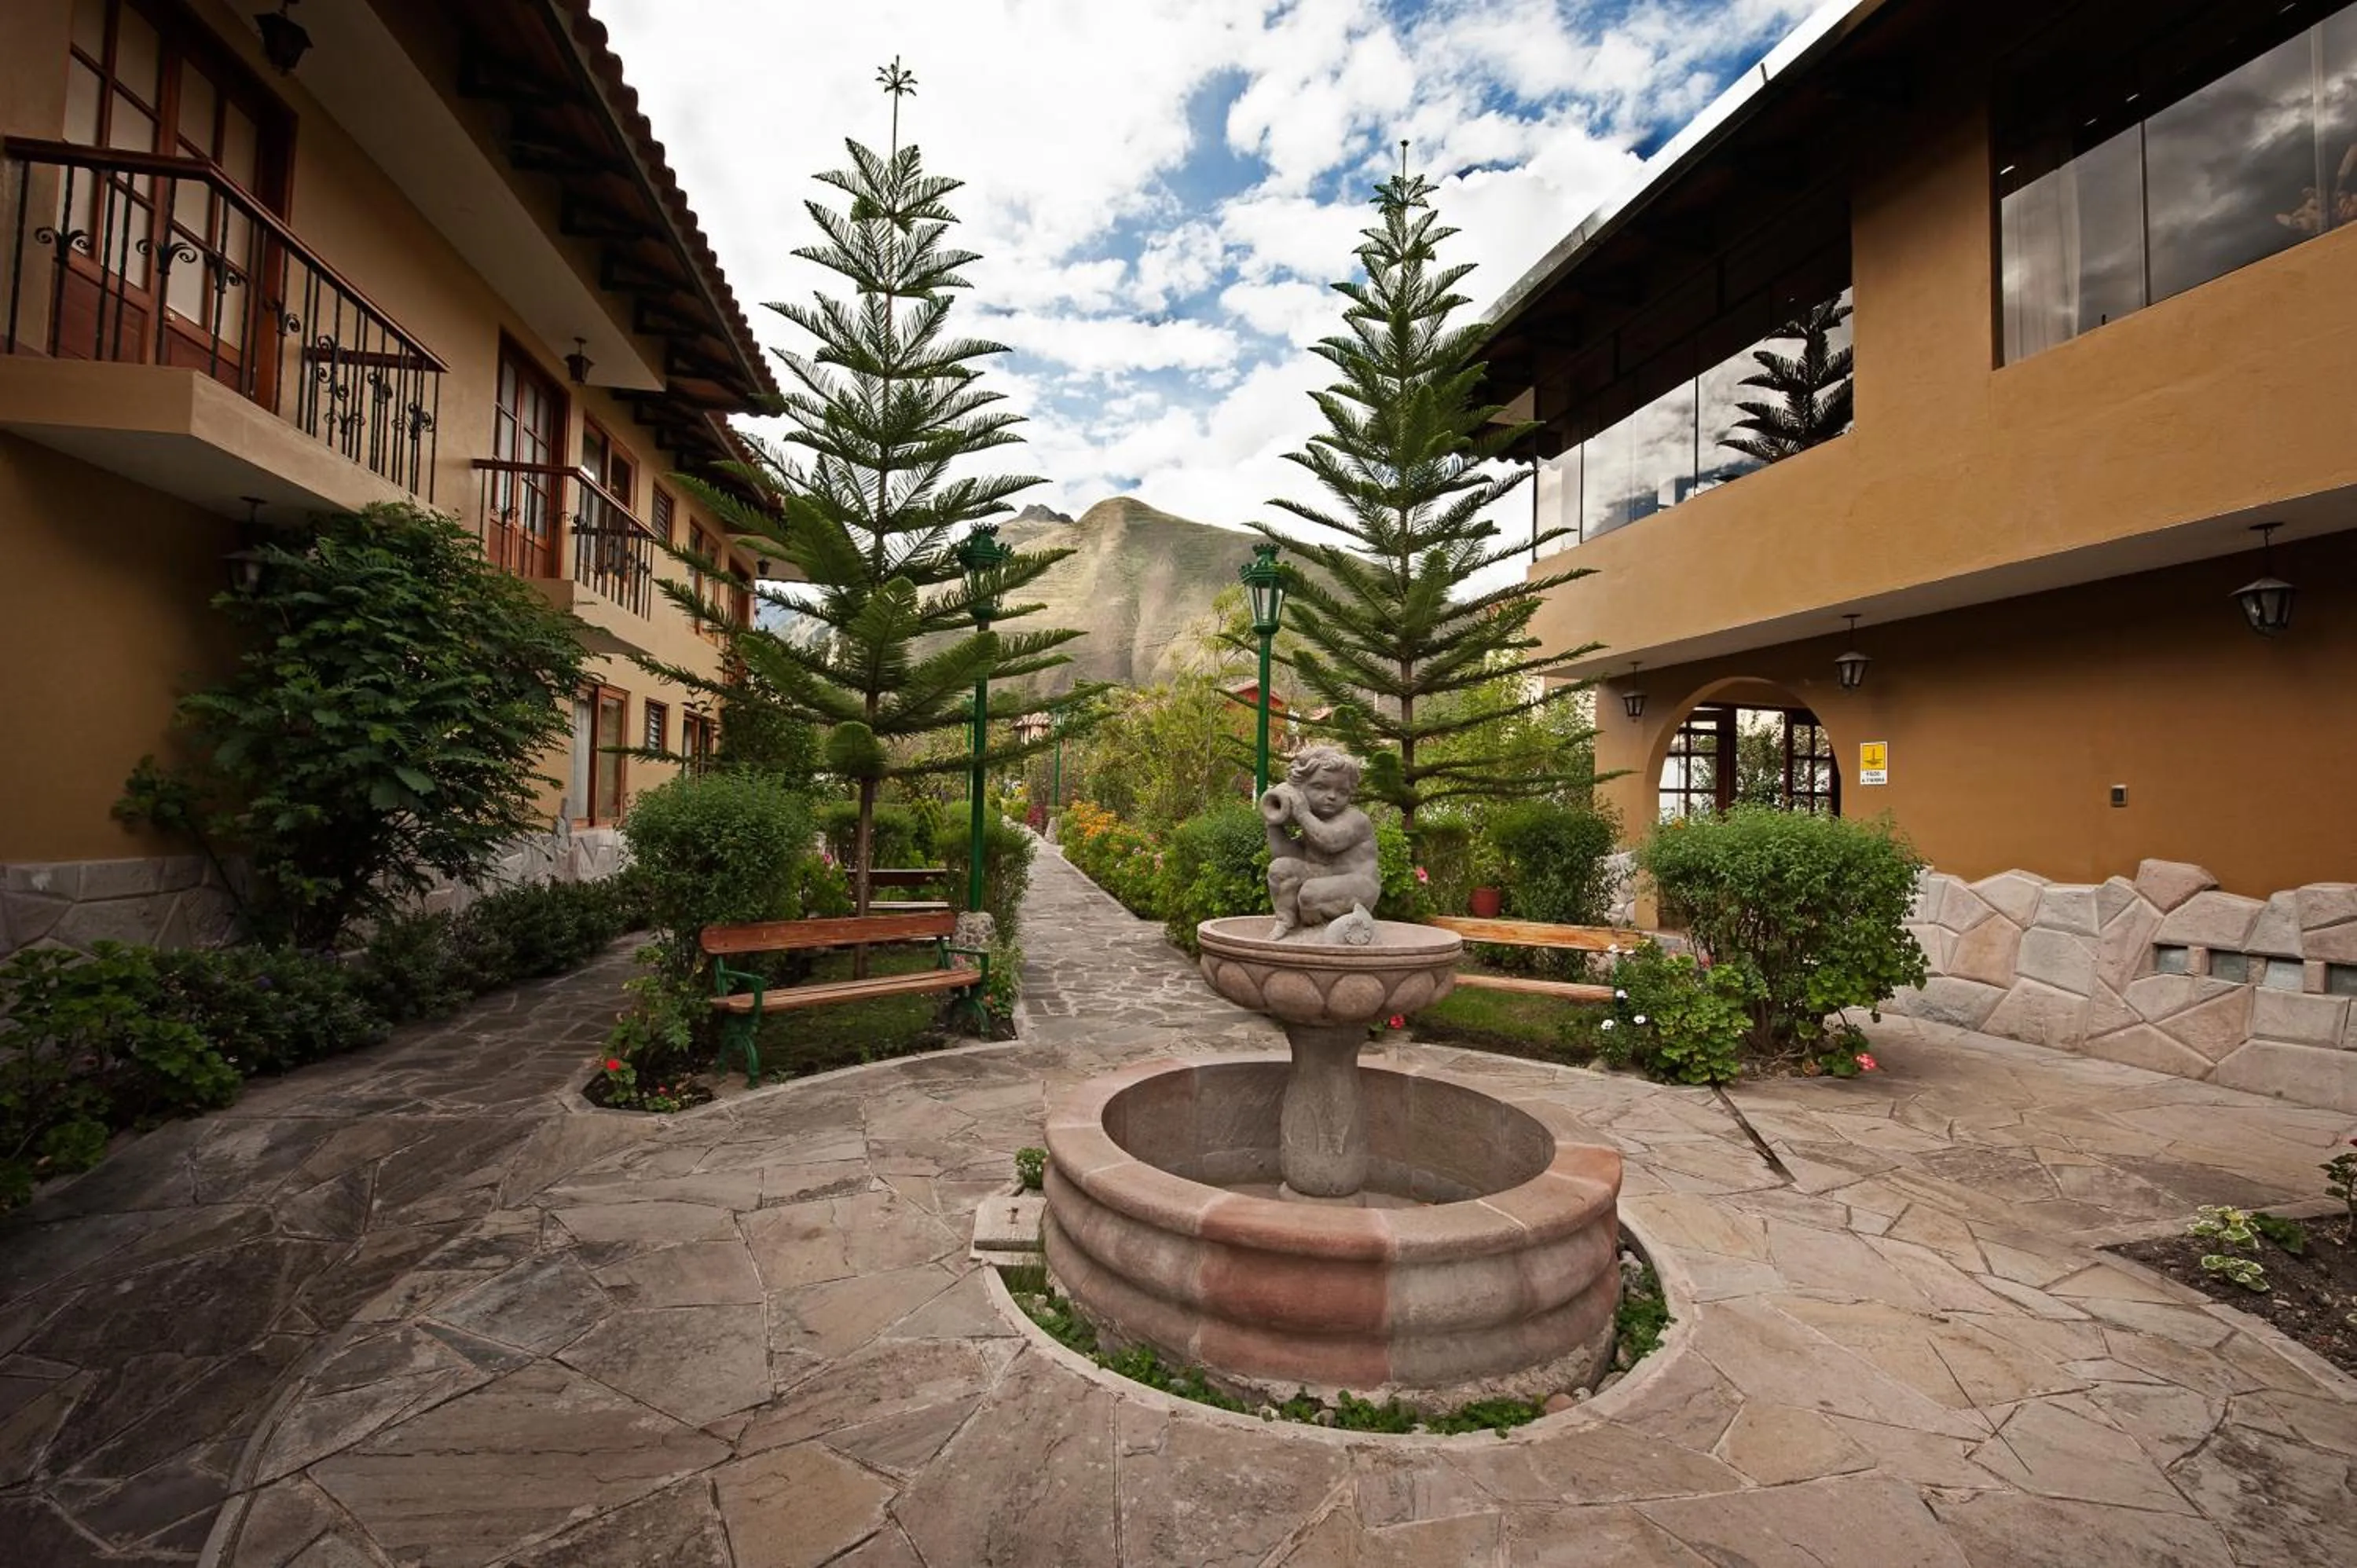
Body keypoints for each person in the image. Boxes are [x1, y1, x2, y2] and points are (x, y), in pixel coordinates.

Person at [1262, 745, 1381, 940]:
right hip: (1324, 876)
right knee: (1280, 869)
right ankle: (1286, 921)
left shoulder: (1355, 819)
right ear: (1300, 788)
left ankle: (1317, 935)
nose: (1332, 796)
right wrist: (1273, 822)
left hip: (1358, 884)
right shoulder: (1314, 821)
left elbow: (1329, 841)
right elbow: (1285, 855)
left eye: (1342, 791)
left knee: (1310, 893)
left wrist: (1301, 812)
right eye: (1320, 787)